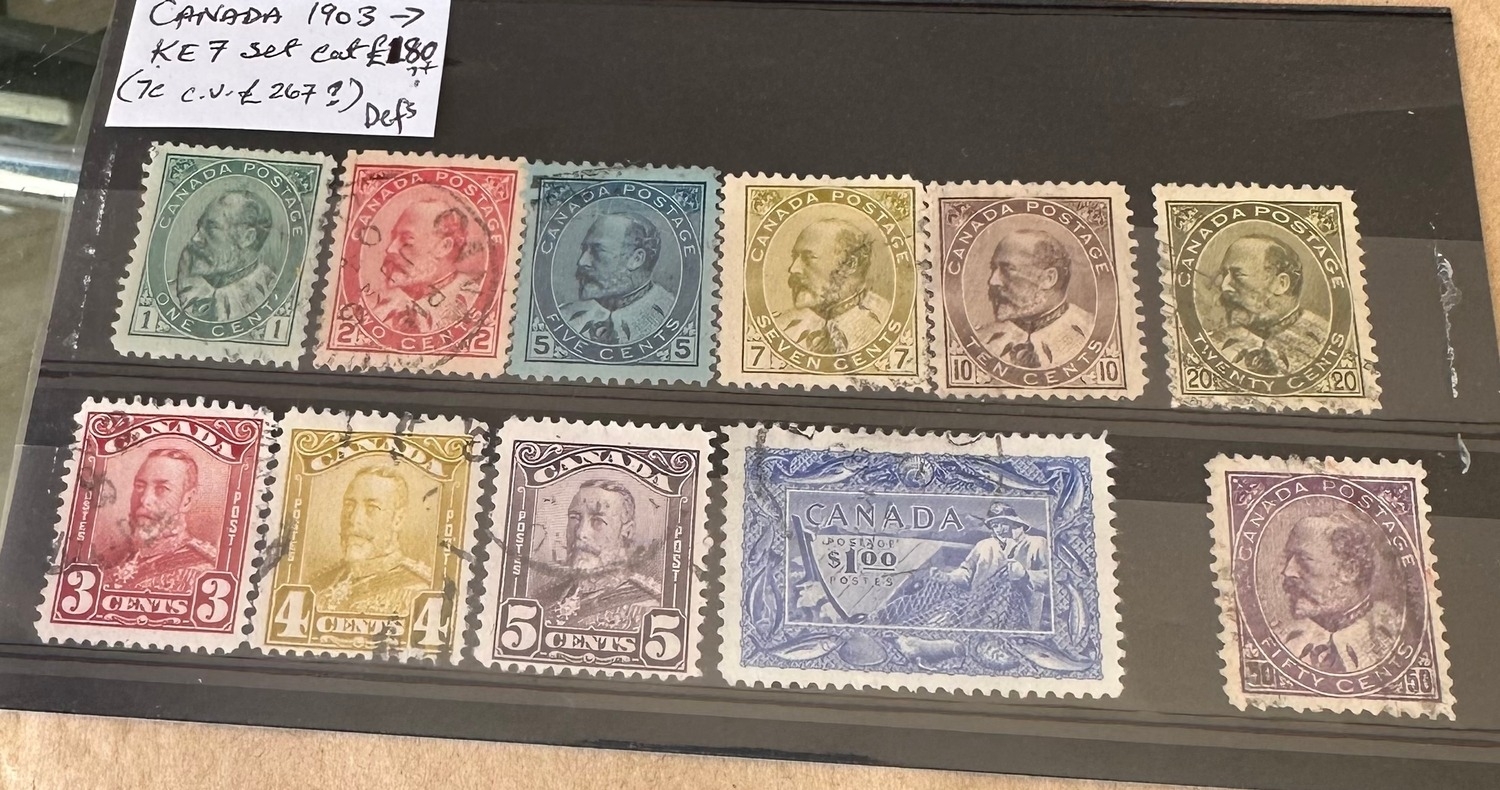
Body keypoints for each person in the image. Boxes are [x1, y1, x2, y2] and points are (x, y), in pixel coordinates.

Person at [1275, 511, 1400, 673]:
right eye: (1289, 558)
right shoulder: (1282, 638)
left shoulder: (1394, 634)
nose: (1288, 571)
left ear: (1349, 570)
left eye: (1303, 559)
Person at [530, 479, 663, 630]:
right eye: (574, 518)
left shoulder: (648, 607)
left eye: (598, 521)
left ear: (627, 532)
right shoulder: (546, 597)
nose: (580, 532)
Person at [309, 465, 432, 615]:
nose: (354, 519)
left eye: (372, 508)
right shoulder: (319, 584)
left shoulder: (418, 591)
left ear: (398, 519)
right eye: (349, 505)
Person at [1209, 234, 1328, 375]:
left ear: (1281, 284)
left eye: (1238, 275)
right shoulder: (1213, 342)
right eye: (1224, 274)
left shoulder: (1323, 341)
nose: (1224, 286)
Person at [103, 447, 217, 594]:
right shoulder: (121, 561)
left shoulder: (203, 573)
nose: (144, 499)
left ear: (187, 500)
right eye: (139, 486)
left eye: (162, 489)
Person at [976, 229, 1092, 369]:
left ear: (1048, 278)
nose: (993, 281)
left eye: (1008, 269)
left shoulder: (1090, 332)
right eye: (994, 268)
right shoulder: (982, 339)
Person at [774, 218, 890, 354]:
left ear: (850, 264)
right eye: (795, 257)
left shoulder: (885, 320)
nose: (793, 269)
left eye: (808, 257)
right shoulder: (781, 326)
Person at [559, 212, 676, 344]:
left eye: (597, 251)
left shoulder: (671, 314)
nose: (582, 262)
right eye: (584, 250)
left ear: (636, 259)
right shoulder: (565, 316)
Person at [373, 197, 483, 334]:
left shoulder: (475, 300)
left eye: (406, 241)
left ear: (444, 247)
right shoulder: (383, 308)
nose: (390, 249)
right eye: (393, 237)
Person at [934, 501, 1051, 630]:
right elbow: (966, 572)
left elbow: (1050, 580)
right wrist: (949, 577)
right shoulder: (983, 545)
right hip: (978, 614)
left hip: (1020, 619)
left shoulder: (1037, 543)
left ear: (1015, 523)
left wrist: (1025, 574)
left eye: (1003, 524)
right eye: (995, 525)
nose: (999, 529)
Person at [170, 190, 279, 323]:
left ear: (247, 238)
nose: (195, 239)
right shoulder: (174, 292)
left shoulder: (271, 294)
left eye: (211, 229)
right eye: (199, 227)